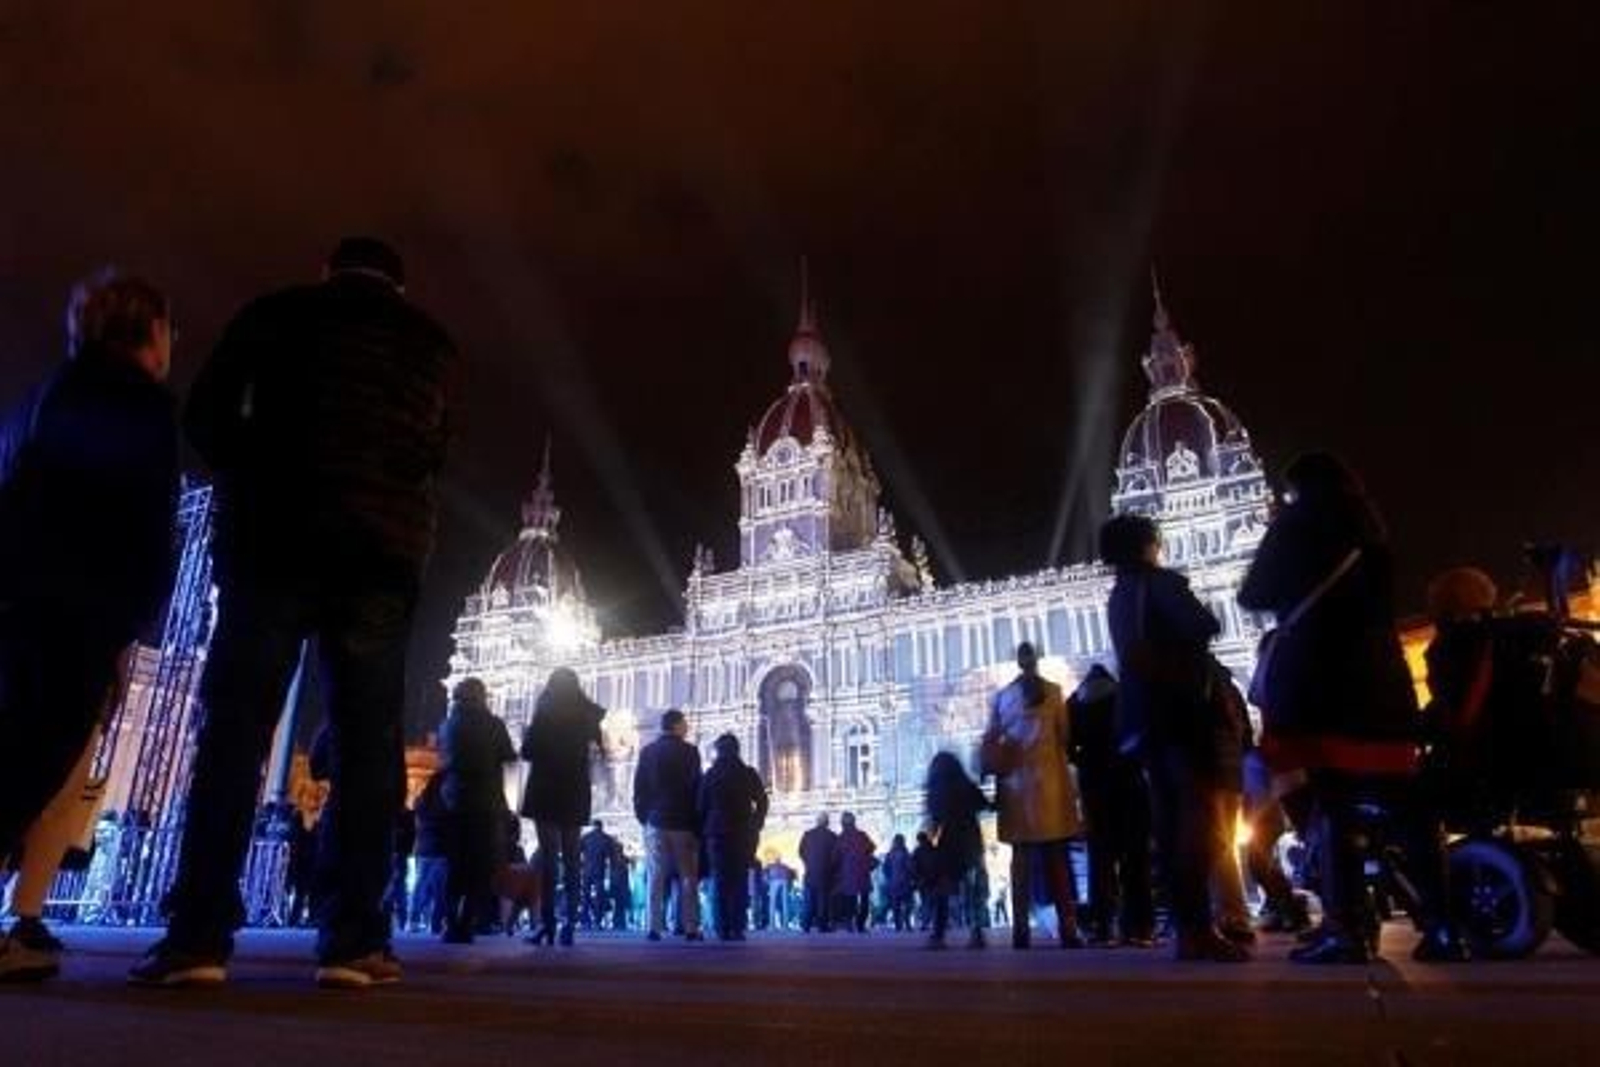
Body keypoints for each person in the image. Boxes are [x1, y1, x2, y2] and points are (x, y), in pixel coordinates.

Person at [131, 239, 455, 989]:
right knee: (370, 745)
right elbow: (436, 448)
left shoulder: (275, 313)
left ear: (325, 271)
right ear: (399, 290)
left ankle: (198, 937)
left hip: (271, 539)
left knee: (235, 728)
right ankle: (353, 942)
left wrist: (258, 467)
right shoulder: (431, 343)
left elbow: (207, 415)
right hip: (380, 554)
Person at [1239, 452, 1466, 964]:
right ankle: (1445, 925)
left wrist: (1281, 534)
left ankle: (1346, 929)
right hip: (1382, 677)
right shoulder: (1371, 530)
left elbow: (1254, 593)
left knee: (1333, 804)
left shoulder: (1297, 525)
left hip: (1322, 678)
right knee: (1408, 804)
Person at [0, 269, 178, 884]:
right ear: (151, 332)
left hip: (21, 599)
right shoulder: (140, 404)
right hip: (78, 609)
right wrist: (133, 615)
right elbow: (148, 520)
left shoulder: (42, 394)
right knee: (34, 756)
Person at [1103, 514, 1246, 963]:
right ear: (1149, 544)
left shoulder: (1119, 595)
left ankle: (1189, 927)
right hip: (1183, 712)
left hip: (1145, 721)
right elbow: (1204, 624)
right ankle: (1198, 927)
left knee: (1168, 821)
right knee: (1201, 817)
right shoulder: (1159, 583)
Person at [981, 642, 1084, 950]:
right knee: (1057, 860)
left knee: (1020, 862)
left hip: (1016, 788)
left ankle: (1021, 932)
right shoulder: (1054, 692)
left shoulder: (1002, 697)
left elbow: (990, 737)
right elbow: (1065, 737)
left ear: (1017, 662)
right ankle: (1068, 929)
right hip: (1050, 783)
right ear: (1036, 661)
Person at [1066, 665, 1155, 947]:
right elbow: (1143, 734)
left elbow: (1067, 746)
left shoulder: (1075, 703)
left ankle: (1103, 925)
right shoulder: (1125, 696)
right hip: (1128, 779)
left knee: (1100, 858)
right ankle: (1140, 926)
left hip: (1094, 784)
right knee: (1135, 856)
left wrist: (1083, 761)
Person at [521, 667, 605, 946]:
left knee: (548, 858)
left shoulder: (544, 713)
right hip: (575, 789)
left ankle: (547, 925)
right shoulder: (589, 714)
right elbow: (598, 751)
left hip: (546, 788)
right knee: (571, 859)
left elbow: (527, 751)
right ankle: (570, 923)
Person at [438, 677, 516, 944]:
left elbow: (443, 759)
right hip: (485, 803)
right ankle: (468, 922)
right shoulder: (493, 724)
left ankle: (450, 923)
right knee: (480, 865)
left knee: (454, 864)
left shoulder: (447, 725)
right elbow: (509, 755)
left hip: (454, 802)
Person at [633, 708, 703, 942]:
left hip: (656, 820)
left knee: (655, 875)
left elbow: (639, 788)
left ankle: (653, 927)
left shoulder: (648, 752)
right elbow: (697, 788)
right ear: (676, 726)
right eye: (685, 723)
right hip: (683, 822)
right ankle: (691, 927)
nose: (688, 727)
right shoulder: (690, 752)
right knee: (687, 876)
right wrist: (696, 820)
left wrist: (645, 817)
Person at [697, 733, 769, 940]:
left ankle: (721, 927)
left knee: (719, 881)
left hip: (716, 834)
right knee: (739, 880)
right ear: (737, 750)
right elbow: (762, 801)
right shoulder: (747, 773)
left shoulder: (711, 774)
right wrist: (756, 822)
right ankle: (737, 927)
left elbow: (701, 806)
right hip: (743, 833)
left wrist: (704, 829)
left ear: (718, 751)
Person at [924, 752, 992, 949]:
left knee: (942, 891)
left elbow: (934, 822)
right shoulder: (966, 786)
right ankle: (976, 933)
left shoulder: (937, 790)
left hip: (949, 842)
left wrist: (931, 844)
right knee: (973, 891)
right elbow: (984, 804)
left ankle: (938, 935)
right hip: (971, 840)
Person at [410, 773, 450, 934]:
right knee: (441, 889)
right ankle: (436, 923)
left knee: (420, 886)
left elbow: (418, 823)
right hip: (440, 848)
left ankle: (414, 919)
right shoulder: (445, 801)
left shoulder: (420, 801)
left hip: (422, 848)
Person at [835, 812, 877, 933]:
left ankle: (850, 923)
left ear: (843, 823)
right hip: (863, 870)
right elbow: (872, 847)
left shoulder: (841, 837)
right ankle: (861, 924)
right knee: (865, 898)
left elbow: (835, 856)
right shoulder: (862, 835)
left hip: (848, 871)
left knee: (850, 898)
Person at [798, 814, 839, 933]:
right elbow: (835, 856)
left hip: (810, 873)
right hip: (825, 874)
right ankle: (822, 926)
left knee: (809, 901)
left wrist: (808, 862)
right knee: (823, 901)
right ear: (827, 823)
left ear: (817, 822)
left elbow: (801, 852)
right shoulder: (832, 836)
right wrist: (830, 867)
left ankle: (806, 925)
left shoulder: (807, 835)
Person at [580, 820, 615, 929]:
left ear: (593, 826)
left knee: (585, 896)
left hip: (586, 871)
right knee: (600, 897)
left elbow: (577, 852)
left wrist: (582, 865)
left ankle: (585, 920)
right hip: (599, 871)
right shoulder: (607, 839)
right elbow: (612, 857)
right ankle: (597, 921)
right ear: (601, 826)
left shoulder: (585, 837)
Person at [880, 834, 916, 933]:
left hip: (895, 882)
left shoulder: (891, 854)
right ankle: (905, 923)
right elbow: (910, 868)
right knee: (906, 903)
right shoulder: (905, 854)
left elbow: (885, 868)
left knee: (897, 904)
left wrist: (889, 878)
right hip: (903, 882)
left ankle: (899, 924)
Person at [765, 856, 797, 930]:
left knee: (772, 903)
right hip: (784, 880)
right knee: (785, 903)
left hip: (774, 881)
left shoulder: (770, 866)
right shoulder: (785, 866)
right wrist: (790, 883)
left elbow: (765, 874)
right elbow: (792, 874)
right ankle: (785, 925)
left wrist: (767, 882)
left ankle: (772, 925)